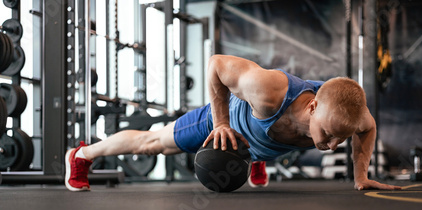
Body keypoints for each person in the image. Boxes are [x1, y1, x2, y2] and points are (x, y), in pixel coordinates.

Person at [65, 55, 401, 192]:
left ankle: (254, 159)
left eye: (338, 140)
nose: (330, 146)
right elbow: (215, 65)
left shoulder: (348, 116)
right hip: (227, 123)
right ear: (312, 107)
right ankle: (82, 156)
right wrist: (222, 122)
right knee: (154, 143)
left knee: (267, 147)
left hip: (261, 141)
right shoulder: (268, 91)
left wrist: (361, 175)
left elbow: (367, 128)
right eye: (327, 135)